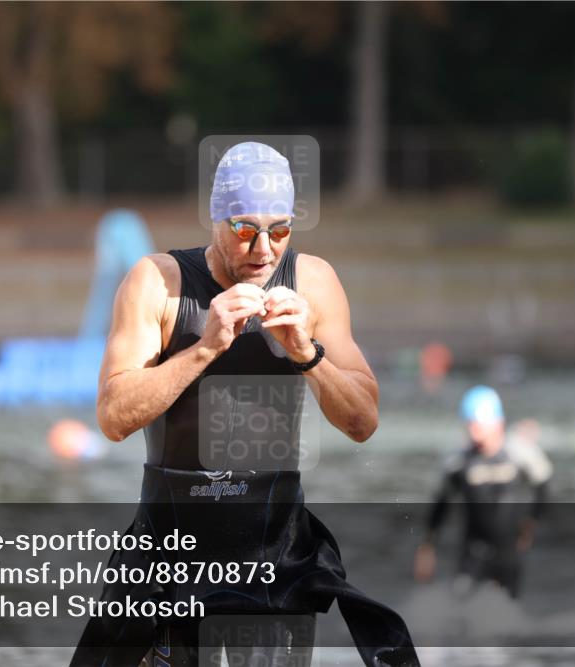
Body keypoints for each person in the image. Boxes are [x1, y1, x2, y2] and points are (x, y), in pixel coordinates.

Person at [71, 142, 419, 667]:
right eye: (244, 229)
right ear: (216, 219)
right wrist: (204, 348)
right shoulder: (159, 282)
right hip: (170, 561)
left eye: (279, 231)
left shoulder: (313, 282)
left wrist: (307, 354)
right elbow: (113, 417)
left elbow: (363, 421)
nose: (263, 249)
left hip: (274, 560)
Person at [413, 385, 552, 599]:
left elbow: (543, 487)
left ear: (498, 423)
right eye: (470, 425)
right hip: (473, 550)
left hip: (509, 551)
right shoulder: (458, 461)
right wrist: (427, 547)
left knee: (504, 608)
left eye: (479, 425)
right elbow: (440, 505)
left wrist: (531, 524)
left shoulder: (520, 452)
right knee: (462, 603)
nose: (474, 431)